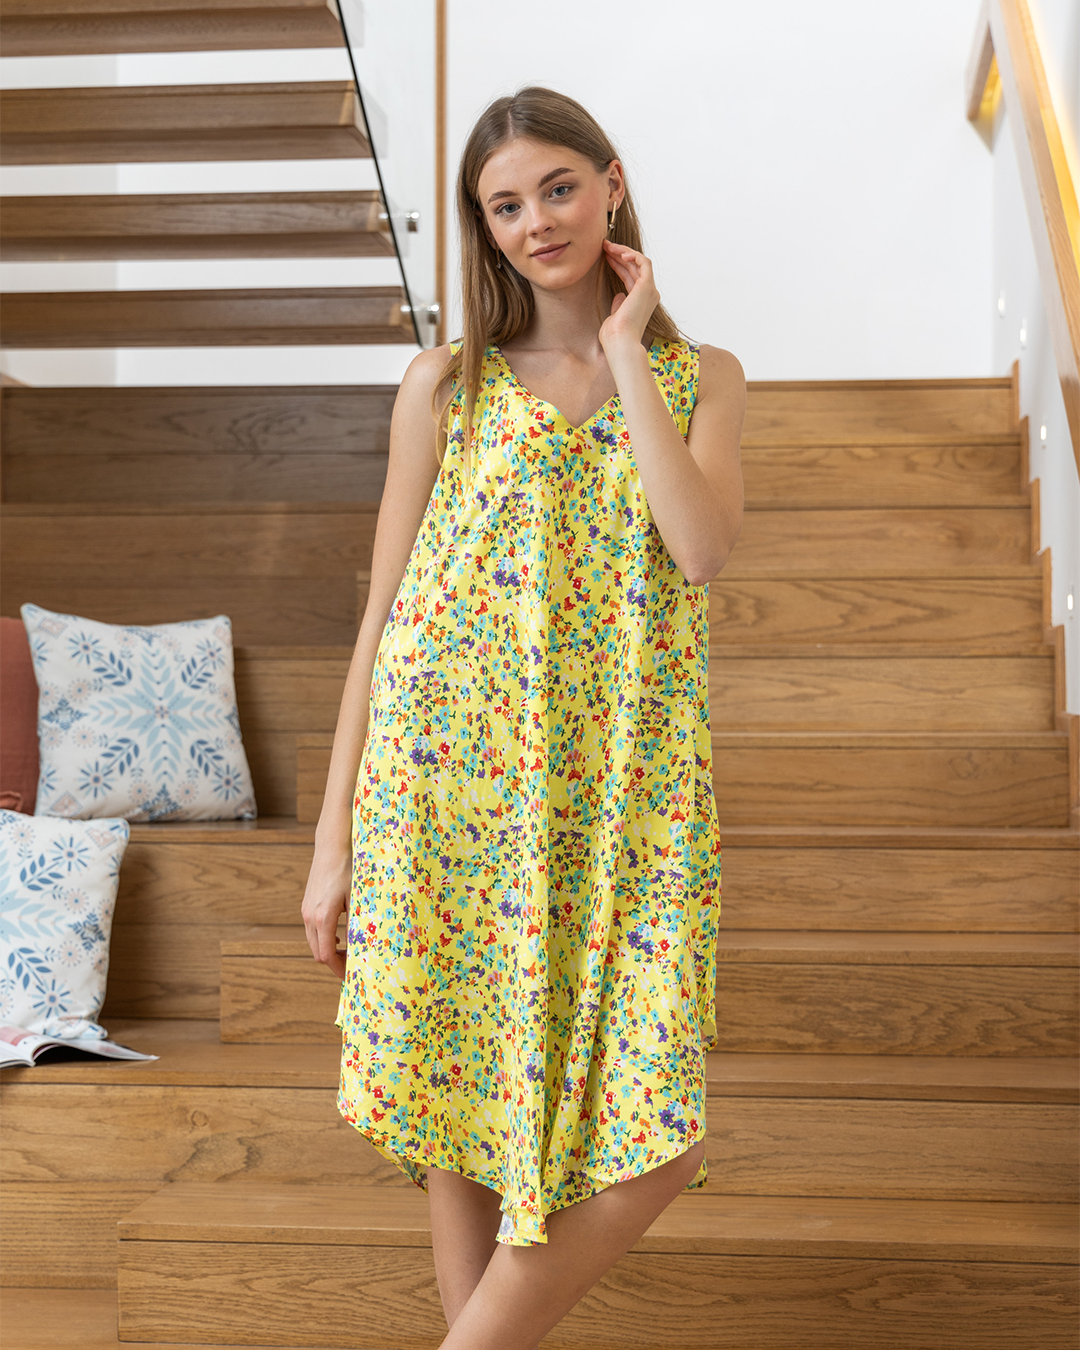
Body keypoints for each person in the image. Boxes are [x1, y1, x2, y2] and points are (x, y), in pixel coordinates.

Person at [302, 84, 745, 1350]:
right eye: (504, 205)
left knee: (659, 1142)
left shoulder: (699, 377)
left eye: (558, 188)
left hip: (628, 800)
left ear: (611, 186)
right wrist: (333, 841)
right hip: (443, 789)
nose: (536, 221)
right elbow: (384, 617)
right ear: (482, 227)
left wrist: (626, 351)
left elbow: (701, 551)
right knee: (463, 1122)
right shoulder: (443, 387)